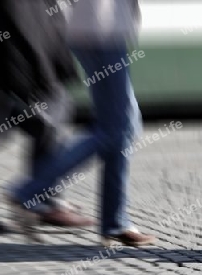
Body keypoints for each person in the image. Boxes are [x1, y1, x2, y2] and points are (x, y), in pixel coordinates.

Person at [8, 0, 156, 247]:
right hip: (101, 29)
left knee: (123, 128)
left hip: (96, 27)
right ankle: (29, 191)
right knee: (119, 129)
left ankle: (115, 221)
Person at [0, 0, 95, 233]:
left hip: (5, 26)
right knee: (34, 109)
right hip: (16, 28)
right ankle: (38, 198)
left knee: (9, 112)